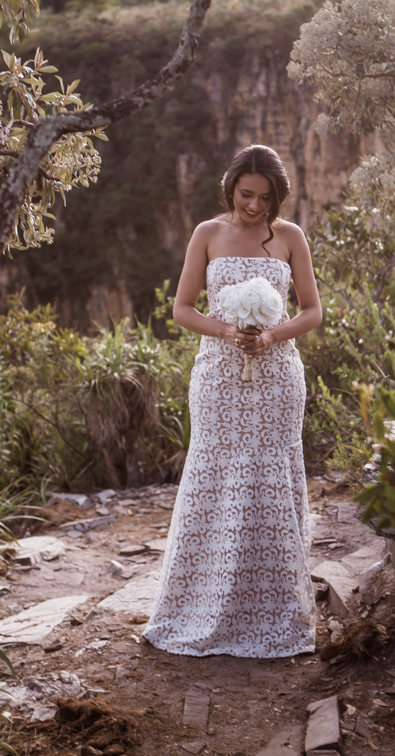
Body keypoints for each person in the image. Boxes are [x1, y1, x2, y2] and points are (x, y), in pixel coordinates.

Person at [142, 144, 323, 658]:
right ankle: (199, 608)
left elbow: (312, 312)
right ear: (231, 189)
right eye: (247, 194)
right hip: (219, 377)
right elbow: (181, 308)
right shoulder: (207, 233)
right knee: (216, 475)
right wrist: (226, 330)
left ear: (278, 196)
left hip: (277, 378)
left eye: (265, 198)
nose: (254, 206)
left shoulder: (291, 238)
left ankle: (274, 612)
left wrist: (270, 336)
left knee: (268, 478)